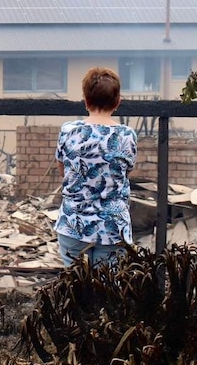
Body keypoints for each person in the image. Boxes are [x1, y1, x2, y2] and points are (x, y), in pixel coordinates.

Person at [54, 67, 137, 267]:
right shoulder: (127, 135)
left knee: (75, 288)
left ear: (85, 100)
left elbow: (63, 171)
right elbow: (126, 172)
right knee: (108, 290)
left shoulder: (68, 131)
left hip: (73, 222)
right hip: (113, 227)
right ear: (118, 102)